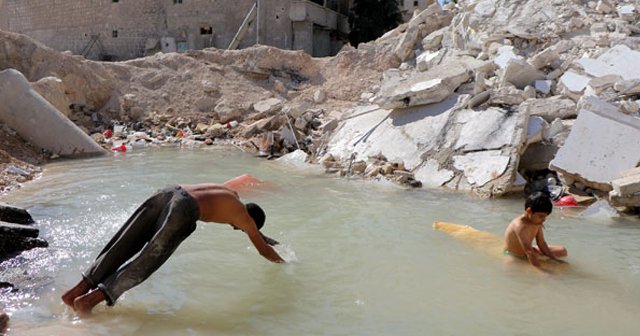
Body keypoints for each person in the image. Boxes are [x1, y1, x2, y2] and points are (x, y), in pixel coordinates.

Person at [61, 175, 284, 316]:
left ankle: (74, 293)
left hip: (169, 192)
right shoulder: (244, 218)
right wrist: (286, 264)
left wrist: (259, 233)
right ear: (250, 222)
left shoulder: (230, 194)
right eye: (241, 229)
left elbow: (247, 215)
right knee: (146, 262)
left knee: (122, 245)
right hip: (184, 209)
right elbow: (263, 250)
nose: (236, 228)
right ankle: (88, 302)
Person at [503, 192, 567, 269]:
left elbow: (541, 243)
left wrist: (554, 259)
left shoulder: (536, 222)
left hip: (529, 251)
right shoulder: (519, 226)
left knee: (562, 251)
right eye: (541, 216)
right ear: (529, 211)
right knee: (510, 268)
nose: (543, 220)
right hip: (515, 255)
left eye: (545, 217)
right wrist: (542, 271)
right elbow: (529, 252)